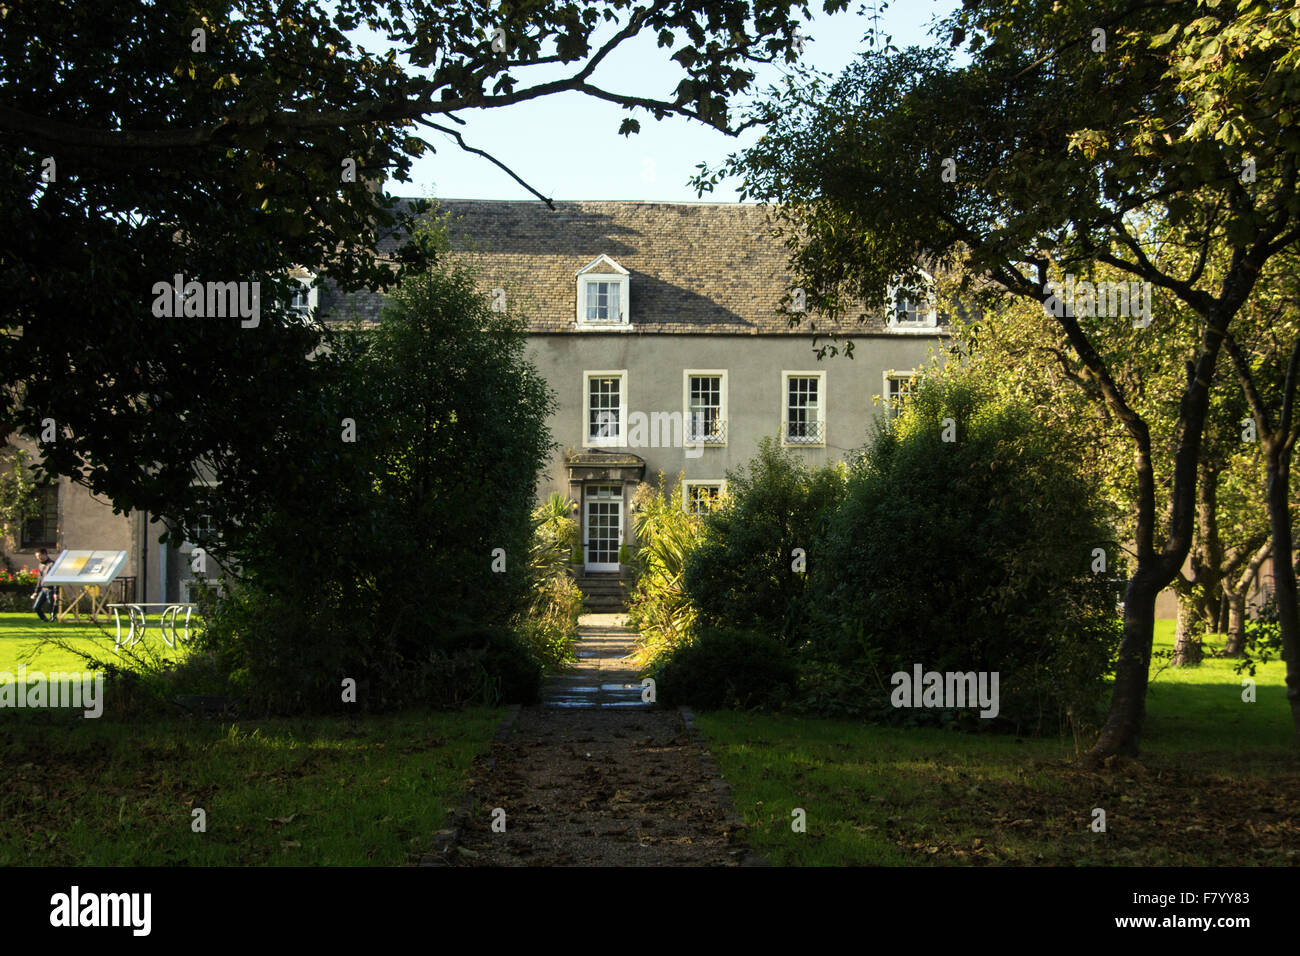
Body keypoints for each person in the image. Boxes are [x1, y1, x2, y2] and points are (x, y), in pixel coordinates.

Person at [31, 548, 56, 622]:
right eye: (37, 557)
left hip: (51, 589)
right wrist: (36, 591)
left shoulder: (52, 564)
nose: (38, 558)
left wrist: (55, 592)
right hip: (43, 589)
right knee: (36, 607)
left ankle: (53, 619)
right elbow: (39, 579)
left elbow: (55, 579)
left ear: (45, 554)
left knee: (51, 606)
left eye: (39, 556)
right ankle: (44, 619)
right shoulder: (40, 565)